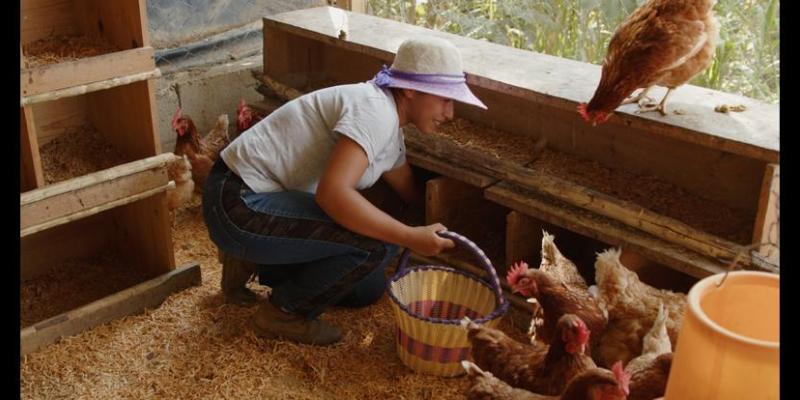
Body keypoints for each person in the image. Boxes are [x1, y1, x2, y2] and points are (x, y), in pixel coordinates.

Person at [202, 36, 488, 346]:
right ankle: (281, 314)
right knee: (377, 244)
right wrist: (408, 236)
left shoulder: (388, 123)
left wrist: (432, 222)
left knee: (368, 287)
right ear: (409, 89)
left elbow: (407, 187)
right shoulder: (374, 112)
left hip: (251, 199)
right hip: (238, 202)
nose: (451, 113)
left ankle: (250, 261)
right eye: (445, 98)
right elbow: (333, 195)